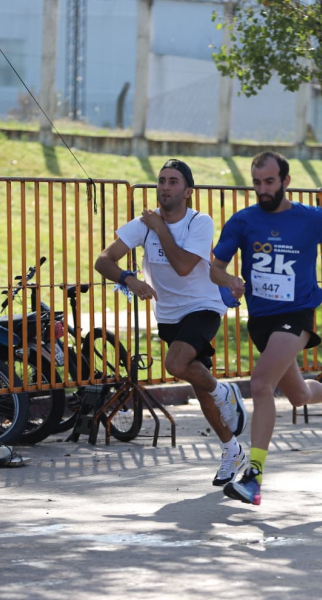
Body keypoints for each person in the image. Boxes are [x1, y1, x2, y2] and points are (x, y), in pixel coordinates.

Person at [210, 151, 322, 505]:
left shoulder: (311, 219)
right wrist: (230, 281)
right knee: (297, 395)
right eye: (256, 183)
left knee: (260, 382)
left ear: (286, 181)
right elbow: (214, 268)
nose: (262, 189)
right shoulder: (243, 221)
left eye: (269, 181)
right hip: (262, 320)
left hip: (297, 313)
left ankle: (253, 476)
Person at [95, 159, 249, 487]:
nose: (165, 186)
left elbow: (182, 266)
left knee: (176, 363)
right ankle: (231, 448)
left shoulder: (199, 222)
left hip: (203, 305)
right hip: (167, 313)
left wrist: (160, 229)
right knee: (200, 384)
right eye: (162, 180)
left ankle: (226, 391)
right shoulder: (143, 224)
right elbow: (103, 260)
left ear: (188, 191)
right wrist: (127, 278)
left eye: (173, 181)